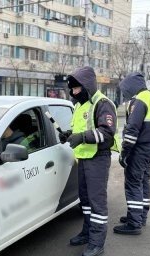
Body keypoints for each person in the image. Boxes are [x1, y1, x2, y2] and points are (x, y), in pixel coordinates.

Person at [59, 66, 120, 256]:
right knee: (85, 200)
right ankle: (87, 232)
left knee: (97, 203)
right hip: (84, 158)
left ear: (87, 86)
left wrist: (82, 137)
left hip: (98, 158)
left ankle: (97, 242)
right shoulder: (80, 105)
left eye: (77, 88)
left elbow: (107, 133)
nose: (73, 92)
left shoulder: (103, 103)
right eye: (72, 89)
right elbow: (79, 128)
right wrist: (69, 134)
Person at [113, 72, 150, 235]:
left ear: (131, 87)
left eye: (125, 89)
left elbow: (131, 130)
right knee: (144, 181)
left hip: (139, 148)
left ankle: (134, 223)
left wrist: (124, 153)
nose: (124, 93)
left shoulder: (139, 101)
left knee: (133, 183)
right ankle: (140, 216)